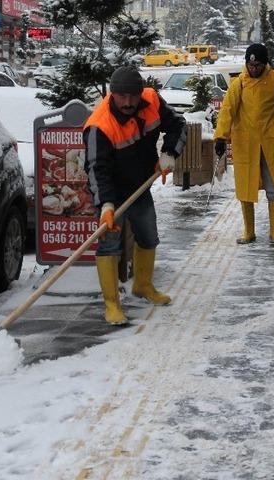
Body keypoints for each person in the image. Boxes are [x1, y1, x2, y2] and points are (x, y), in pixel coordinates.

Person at [83, 65, 187, 325]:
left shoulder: (151, 100)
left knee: (148, 236)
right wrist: (105, 206)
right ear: (112, 94)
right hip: (111, 195)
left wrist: (169, 153)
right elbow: (97, 170)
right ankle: (112, 304)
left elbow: (178, 125)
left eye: (133, 96)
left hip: (140, 187)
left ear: (140, 93)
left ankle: (142, 285)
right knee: (109, 244)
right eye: (122, 96)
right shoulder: (99, 126)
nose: (128, 103)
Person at [213, 43, 274, 247]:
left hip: (272, 141)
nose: (254, 69)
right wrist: (220, 137)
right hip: (246, 143)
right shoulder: (239, 84)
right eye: (250, 65)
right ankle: (249, 232)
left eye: (258, 65)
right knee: (245, 186)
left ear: (265, 64)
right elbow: (227, 110)